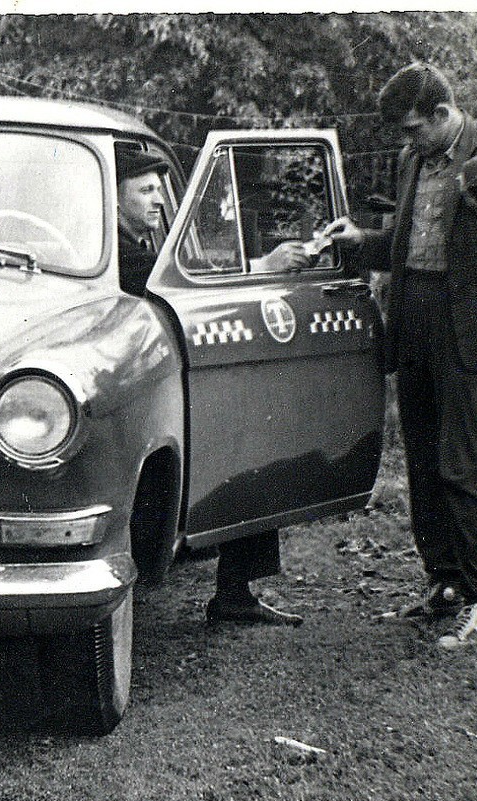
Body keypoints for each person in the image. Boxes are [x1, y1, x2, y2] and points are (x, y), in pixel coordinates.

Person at [325, 63, 477, 648]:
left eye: (414, 130)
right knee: (425, 465)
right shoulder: (412, 162)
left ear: (441, 113)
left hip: (473, 331)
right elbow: (406, 248)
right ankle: (444, 585)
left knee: (467, 464)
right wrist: (362, 245)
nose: (409, 142)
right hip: (417, 319)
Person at [116, 149, 304, 626]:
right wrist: (265, 265)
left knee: (248, 453)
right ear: (114, 197)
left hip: (180, 377)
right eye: (145, 190)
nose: (159, 199)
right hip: (140, 393)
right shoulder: (116, 254)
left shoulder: (148, 245)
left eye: (161, 187)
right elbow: (173, 281)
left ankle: (235, 590)